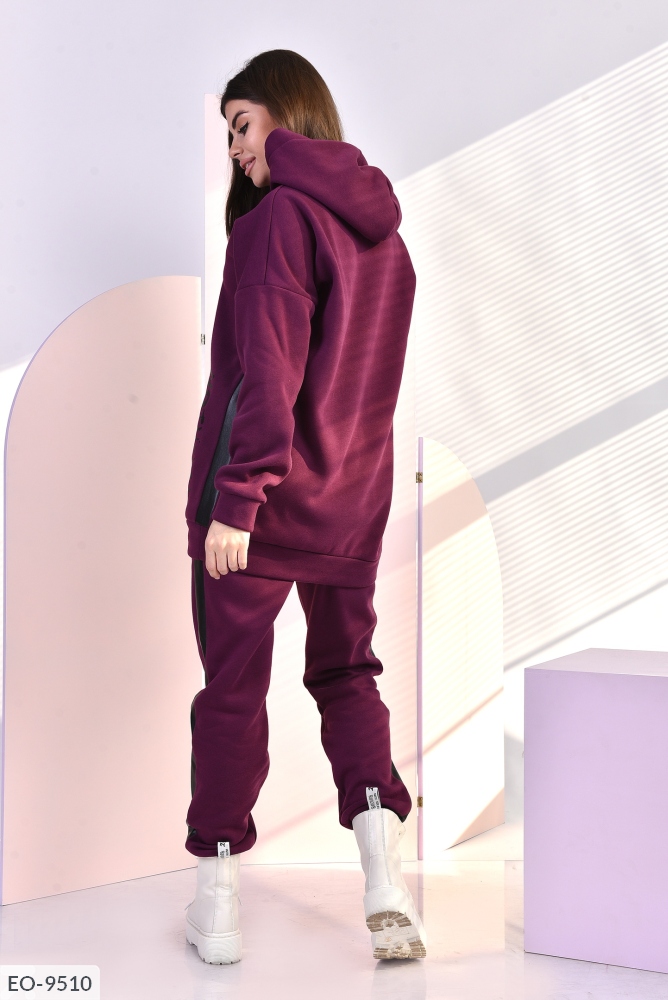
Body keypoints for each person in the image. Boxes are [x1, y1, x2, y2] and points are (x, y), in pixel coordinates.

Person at [183, 48, 426, 965]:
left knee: (231, 693)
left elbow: (270, 372)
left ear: (285, 116)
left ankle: (217, 904)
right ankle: (385, 880)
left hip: (260, 510)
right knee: (348, 675)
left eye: (242, 124)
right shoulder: (386, 240)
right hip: (352, 506)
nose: (234, 148)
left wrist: (236, 499)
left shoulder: (276, 220)